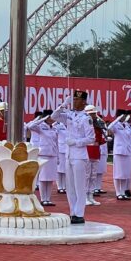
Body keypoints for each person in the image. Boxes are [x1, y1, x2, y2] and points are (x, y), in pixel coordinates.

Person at [52, 90, 95, 224]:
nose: (75, 102)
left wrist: (76, 142)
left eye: (77, 100)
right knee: (70, 186)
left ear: (83, 102)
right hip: (69, 154)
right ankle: (72, 212)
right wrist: (63, 105)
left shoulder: (86, 118)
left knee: (79, 186)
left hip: (80, 155)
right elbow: (54, 116)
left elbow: (91, 138)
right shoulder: (69, 115)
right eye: (74, 100)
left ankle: (79, 213)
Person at [25, 110, 58, 206]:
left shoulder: (54, 128)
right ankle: (43, 199)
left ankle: (48, 198)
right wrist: (42, 119)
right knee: (43, 178)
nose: (53, 119)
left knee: (51, 178)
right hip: (43, 154)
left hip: (53, 154)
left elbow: (56, 142)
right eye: (51, 117)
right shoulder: (41, 127)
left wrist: (58, 156)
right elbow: (30, 126)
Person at [107, 109, 131, 200]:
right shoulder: (116, 125)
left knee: (125, 173)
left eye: (125, 116)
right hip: (119, 151)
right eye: (123, 116)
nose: (125, 117)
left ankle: (123, 191)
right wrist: (117, 119)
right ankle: (118, 192)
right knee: (118, 173)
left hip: (127, 151)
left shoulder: (127, 125)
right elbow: (109, 127)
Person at [84, 105, 105, 207]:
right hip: (87, 150)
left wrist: (101, 141)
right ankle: (84, 197)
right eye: (91, 114)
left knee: (93, 175)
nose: (93, 115)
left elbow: (100, 137)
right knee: (86, 175)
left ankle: (90, 196)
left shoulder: (97, 124)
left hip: (95, 150)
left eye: (94, 114)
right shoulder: (84, 124)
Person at [54, 117, 68, 193]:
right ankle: (59, 186)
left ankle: (65, 186)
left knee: (66, 169)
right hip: (60, 148)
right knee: (60, 169)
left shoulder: (71, 125)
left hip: (68, 149)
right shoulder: (58, 125)